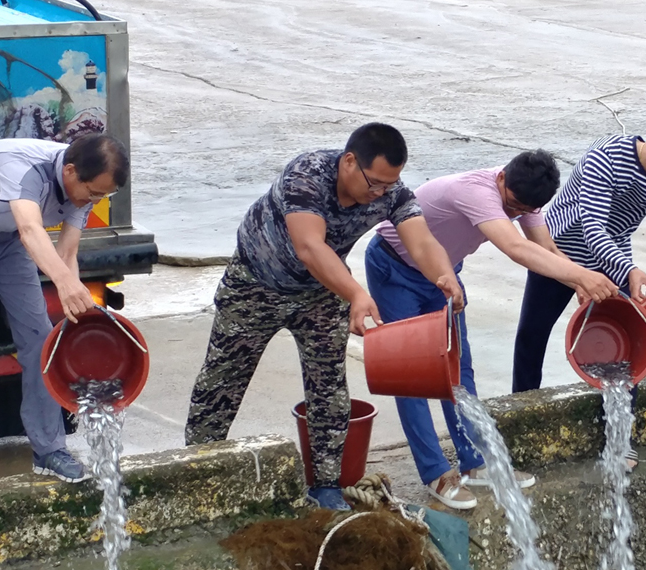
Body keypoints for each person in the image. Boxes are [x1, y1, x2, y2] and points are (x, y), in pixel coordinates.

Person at [184, 123, 464, 511]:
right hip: (255, 287)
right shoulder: (307, 175)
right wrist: (356, 294)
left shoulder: (391, 193)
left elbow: (421, 240)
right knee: (221, 383)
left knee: (329, 387)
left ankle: (327, 485)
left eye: (388, 184)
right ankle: (195, 473)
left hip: (320, 294)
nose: (380, 193)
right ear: (349, 161)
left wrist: (444, 275)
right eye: (375, 183)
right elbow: (309, 247)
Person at [367, 151, 618, 509]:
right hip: (396, 268)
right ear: (502, 179)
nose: (515, 214)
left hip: (444, 274)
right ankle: (436, 473)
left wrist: (576, 279)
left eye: (523, 211)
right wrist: (582, 275)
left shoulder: (526, 196)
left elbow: (543, 245)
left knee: (457, 366)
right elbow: (515, 247)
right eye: (512, 206)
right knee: (411, 374)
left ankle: (475, 462)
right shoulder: (476, 190)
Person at [0, 134, 128, 501]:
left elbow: (66, 253)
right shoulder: (23, 167)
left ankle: (49, 448)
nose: (92, 202)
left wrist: (75, 300)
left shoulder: (82, 187)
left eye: (102, 198)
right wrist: (65, 285)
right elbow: (31, 230)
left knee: (41, 338)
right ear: (69, 170)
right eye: (92, 193)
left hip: (6, 244)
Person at [512, 97, 646, 394]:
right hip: (560, 252)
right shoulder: (606, 156)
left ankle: (619, 429)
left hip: (612, 258)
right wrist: (630, 269)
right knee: (533, 335)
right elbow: (593, 229)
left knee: (628, 341)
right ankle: (522, 404)